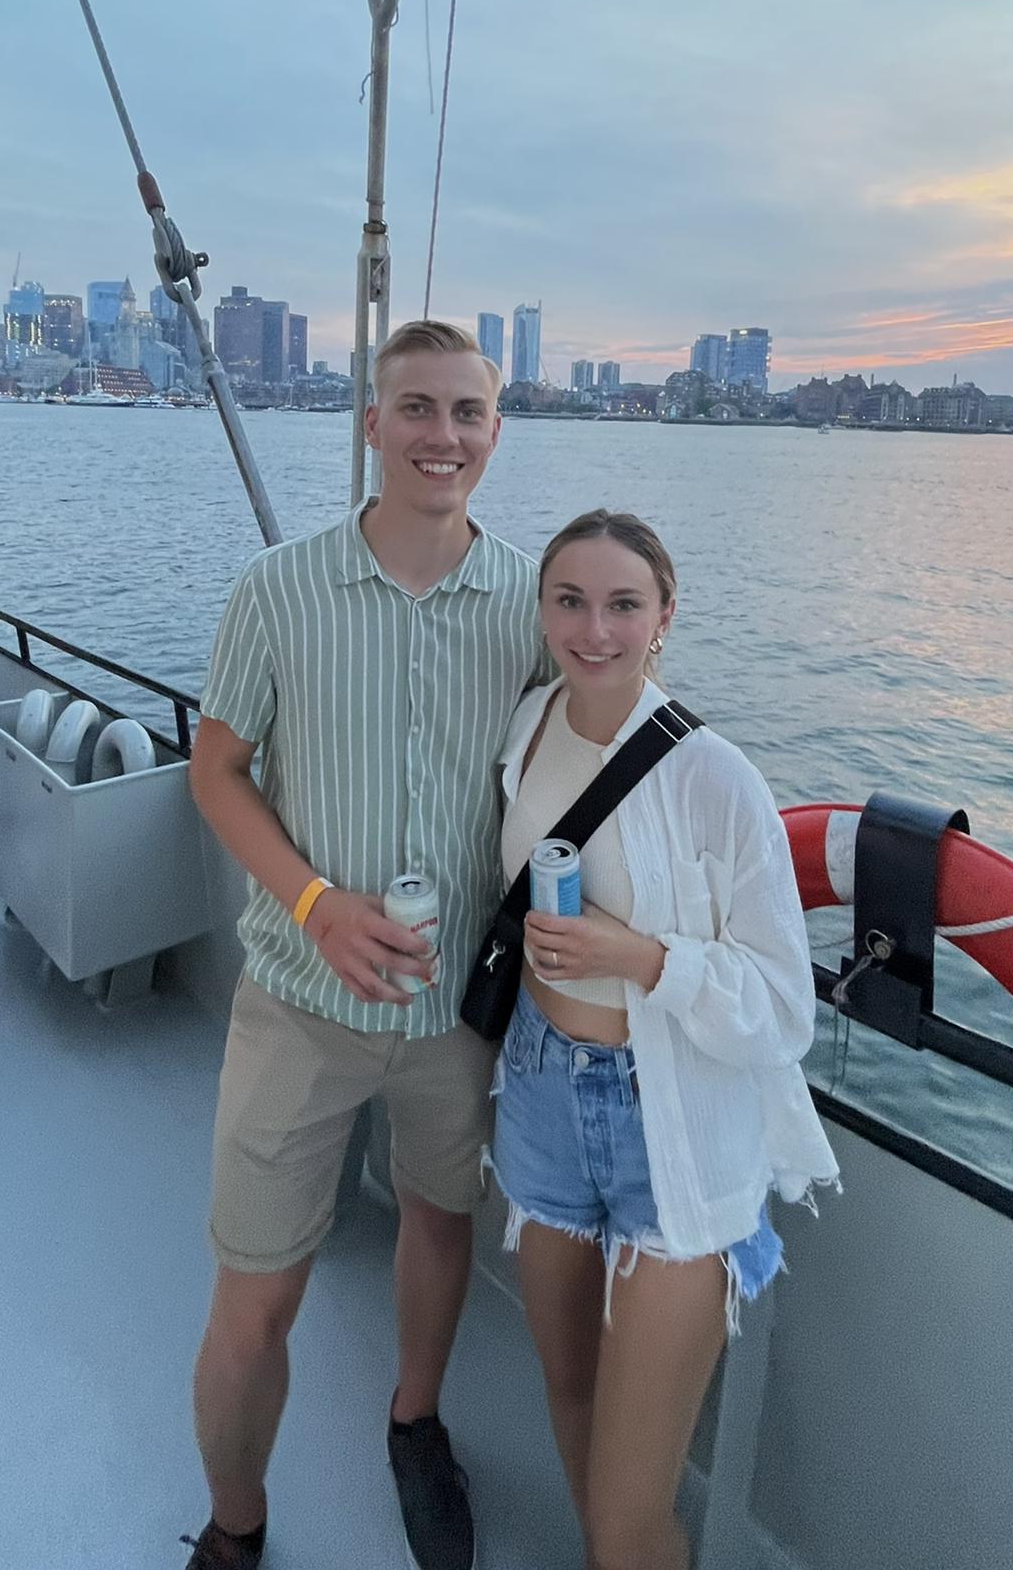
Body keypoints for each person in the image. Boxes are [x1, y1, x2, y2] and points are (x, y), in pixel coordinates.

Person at [185, 320, 546, 1570]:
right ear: (373, 421)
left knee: (438, 1217)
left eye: (468, 411)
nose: (444, 434)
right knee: (254, 1293)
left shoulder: (533, 605)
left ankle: (415, 1417)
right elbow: (217, 769)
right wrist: (313, 902)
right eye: (418, 408)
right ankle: (235, 1524)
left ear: (495, 431)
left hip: (453, 1012)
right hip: (299, 1002)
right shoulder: (277, 589)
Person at [488, 510, 839, 1570]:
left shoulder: (716, 778)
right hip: (539, 1088)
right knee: (568, 1389)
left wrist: (642, 957)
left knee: (630, 1513)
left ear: (665, 616)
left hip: (668, 1119)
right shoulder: (529, 726)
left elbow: (784, 1007)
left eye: (623, 604)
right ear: (542, 611)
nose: (595, 629)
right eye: (570, 601)